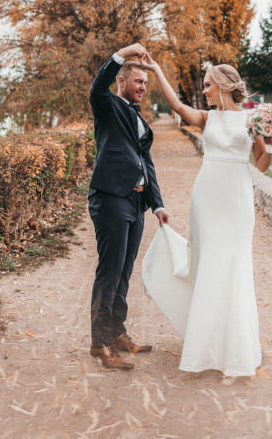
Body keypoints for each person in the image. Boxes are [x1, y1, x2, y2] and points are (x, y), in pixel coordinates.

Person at [138, 53, 272, 377]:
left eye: (208, 85)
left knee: (235, 265)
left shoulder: (251, 119)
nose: (204, 91)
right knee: (209, 265)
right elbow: (176, 105)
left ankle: (237, 349)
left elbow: (262, 164)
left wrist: (270, 145)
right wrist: (156, 69)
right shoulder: (206, 118)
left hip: (237, 199)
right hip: (207, 198)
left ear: (223, 85)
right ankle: (206, 347)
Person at [87, 43, 171, 371]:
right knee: (109, 272)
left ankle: (117, 332)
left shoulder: (139, 120)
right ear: (122, 81)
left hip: (135, 202)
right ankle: (99, 344)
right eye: (138, 82)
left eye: (146, 85)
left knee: (123, 272)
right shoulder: (106, 105)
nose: (143, 88)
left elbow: (146, 163)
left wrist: (157, 205)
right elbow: (97, 84)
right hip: (110, 198)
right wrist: (126, 52)